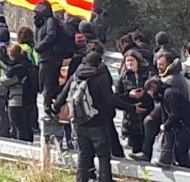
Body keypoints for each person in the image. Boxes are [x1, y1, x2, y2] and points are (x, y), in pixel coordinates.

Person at [53, 52, 142, 182]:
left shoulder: (76, 76)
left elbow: (63, 94)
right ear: (99, 63)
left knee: (83, 155)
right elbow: (110, 99)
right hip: (98, 123)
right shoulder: (100, 78)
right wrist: (132, 108)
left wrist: (54, 107)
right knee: (103, 156)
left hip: (79, 123)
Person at [0, 43, 38, 141]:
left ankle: (21, 147)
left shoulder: (17, 68)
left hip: (17, 100)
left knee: (19, 127)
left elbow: (4, 81)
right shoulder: (29, 65)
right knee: (28, 126)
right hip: (30, 100)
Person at [34, 1, 63, 121]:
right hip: (43, 58)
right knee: (43, 84)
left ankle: (48, 109)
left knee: (47, 84)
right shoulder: (42, 24)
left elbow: (51, 36)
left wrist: (40, 46)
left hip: (49, 58)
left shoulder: (51, 21)